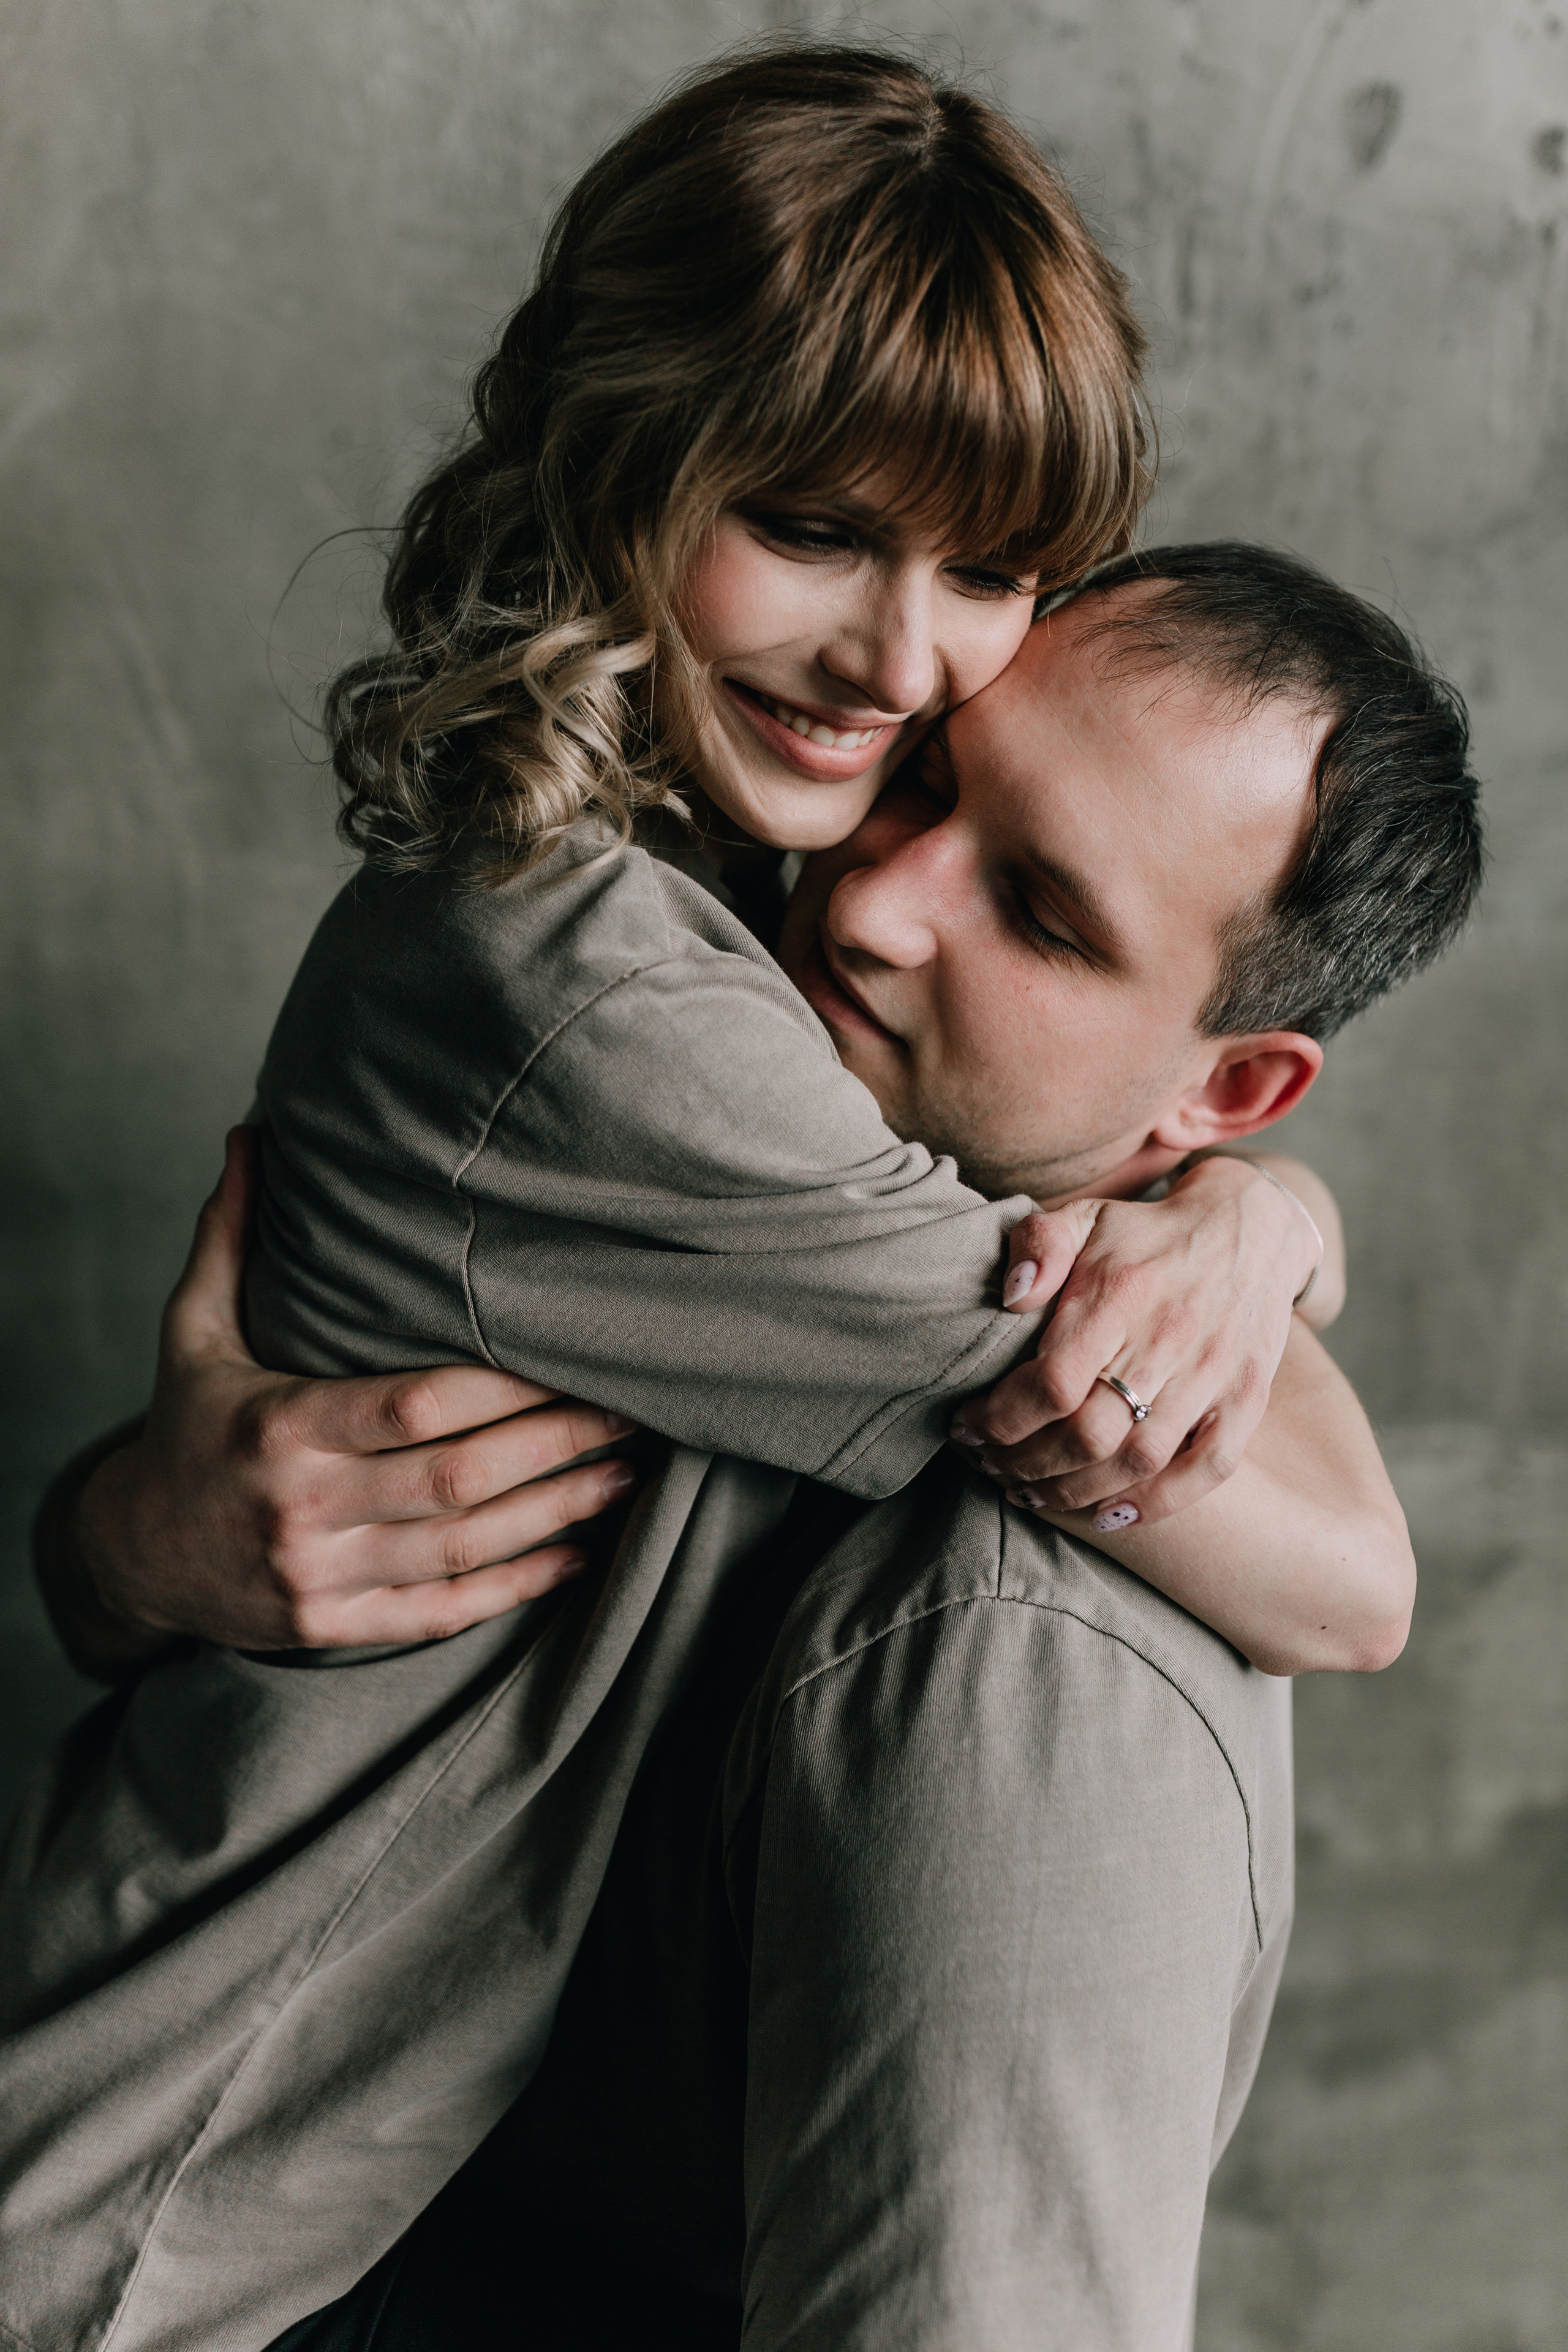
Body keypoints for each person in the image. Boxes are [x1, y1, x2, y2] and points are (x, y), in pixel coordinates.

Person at [260, 542, 1483, 2350]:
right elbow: (1352, 1572)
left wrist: (1256, 1226)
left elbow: (1355, 1589)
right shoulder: (638, 999)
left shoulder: (1054, 1634)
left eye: (1044, 916)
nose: (874, 909)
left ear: (1222, 1090)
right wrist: (1260, 1224)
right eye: (926, 781)